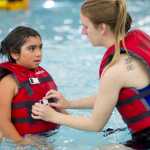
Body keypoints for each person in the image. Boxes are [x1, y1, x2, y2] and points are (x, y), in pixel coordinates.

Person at [32, 0, 150, 149]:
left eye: (85, 26)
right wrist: (69, 104)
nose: (83, 32)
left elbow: (95, 125)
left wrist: (53, 116)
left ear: (102, 28)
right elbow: (109, 97)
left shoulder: (115, 70)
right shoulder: (140, 39)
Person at [0, 26, 59, 149]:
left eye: (40, 47)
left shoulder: (41, 75)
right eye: (31, 49)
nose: (39, 53)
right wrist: (21, 143)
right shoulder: (9, 82)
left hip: (47, 135)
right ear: (15, 53)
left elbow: (58, 106)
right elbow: (2, 122)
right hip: (20, 139)